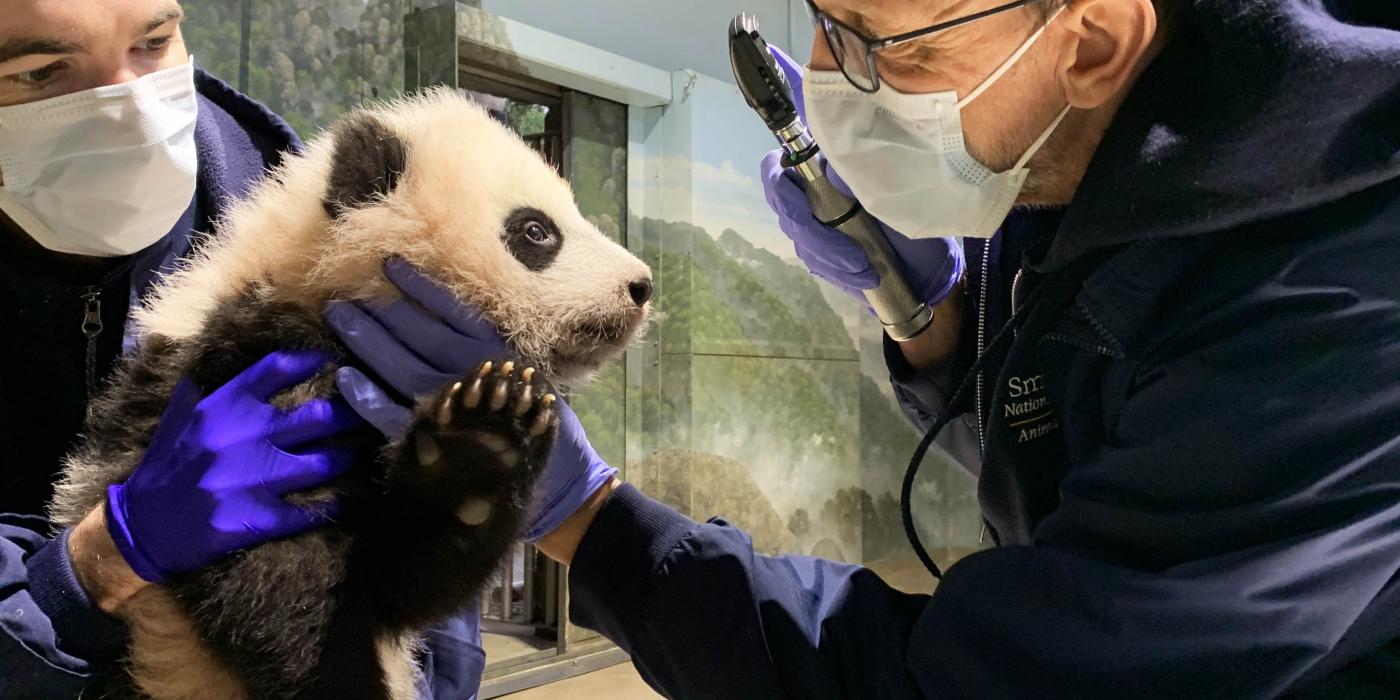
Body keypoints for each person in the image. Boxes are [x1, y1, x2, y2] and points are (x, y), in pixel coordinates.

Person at [331, 0, 1400, 696]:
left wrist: (589, 523)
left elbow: (964, 684)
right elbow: (1076, 448)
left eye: (892, 46)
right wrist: (932, 319)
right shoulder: (1076, 144)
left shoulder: (1341, 297)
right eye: (824, 21)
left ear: (1091, 40)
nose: (835, 78)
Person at [0, 2, 604, 697]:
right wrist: (89, 566)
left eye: (155, 40)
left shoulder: (319, 236)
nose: (129, 105)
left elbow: (422, 623)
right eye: (42, 71)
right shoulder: (261, 297)